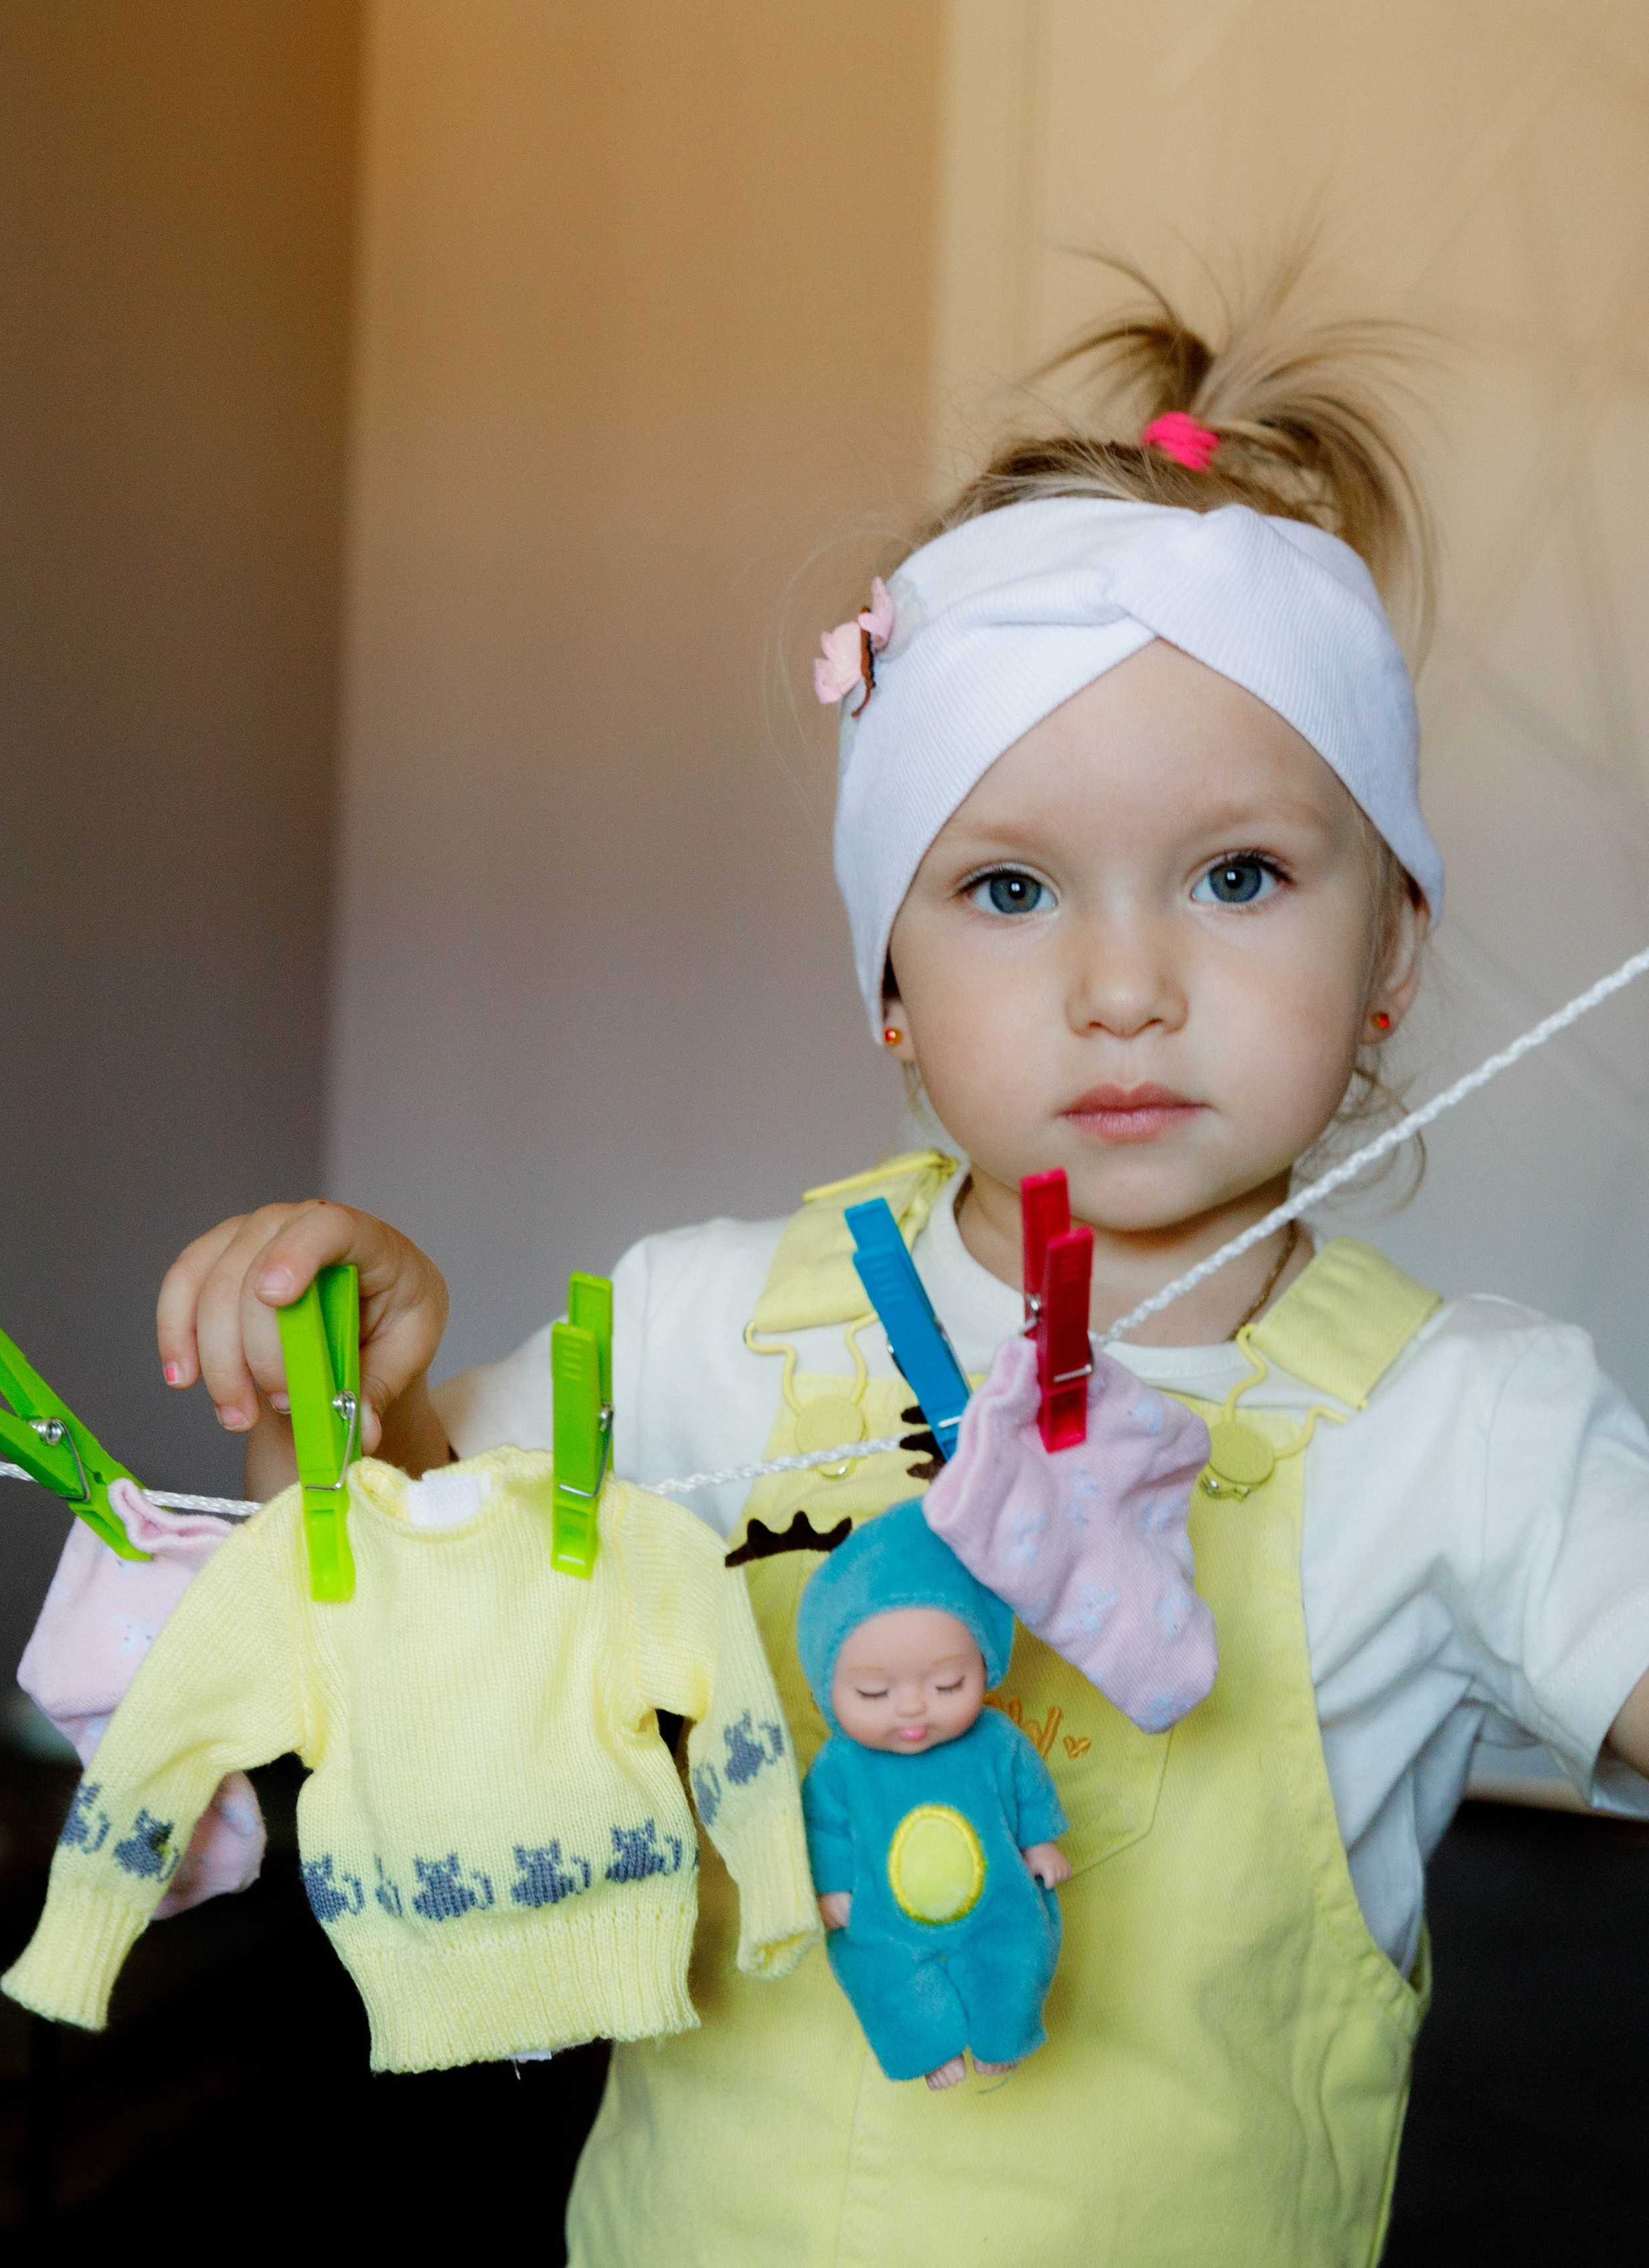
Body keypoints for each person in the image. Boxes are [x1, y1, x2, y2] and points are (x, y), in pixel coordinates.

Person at [151, 268, 1649, 2265]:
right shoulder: (697, 1327)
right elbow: (399, 1619)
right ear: (891, 989)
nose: (1125, 986)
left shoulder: (1471, 1426)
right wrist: (347, 1400)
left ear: (1383, 960)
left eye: (1237, 875)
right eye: (1009, 888)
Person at [796, 1500, 1070, 2091]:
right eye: (874, 1692)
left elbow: (1024, 1781)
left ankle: (1005, 2030)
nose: (914, 1706)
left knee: (1019, 1945)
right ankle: (926, 2044)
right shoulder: (841, 1765)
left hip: (996, 1892)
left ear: (985, 1664)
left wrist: (1040, 1842)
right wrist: (832, 1885)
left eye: (948, 1683)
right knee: (877, 1970)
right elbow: (823, 1826)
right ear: (828, 1690)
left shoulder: (994, 1738)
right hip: (883, 1914)